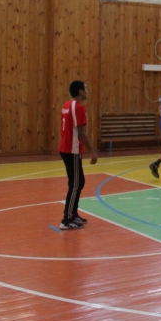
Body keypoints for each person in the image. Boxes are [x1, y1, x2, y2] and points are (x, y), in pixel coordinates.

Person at [59, 80, 97, 230]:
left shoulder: (67, 105)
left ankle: (73, 213)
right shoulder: (78, 107)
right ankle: (67, 219)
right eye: (86, 89)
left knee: (79, 181)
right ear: (81, 91)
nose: (88, 91)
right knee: (75, 184)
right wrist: (92, 152)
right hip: (71, 149)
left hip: (67, 148)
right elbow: (81, 133)